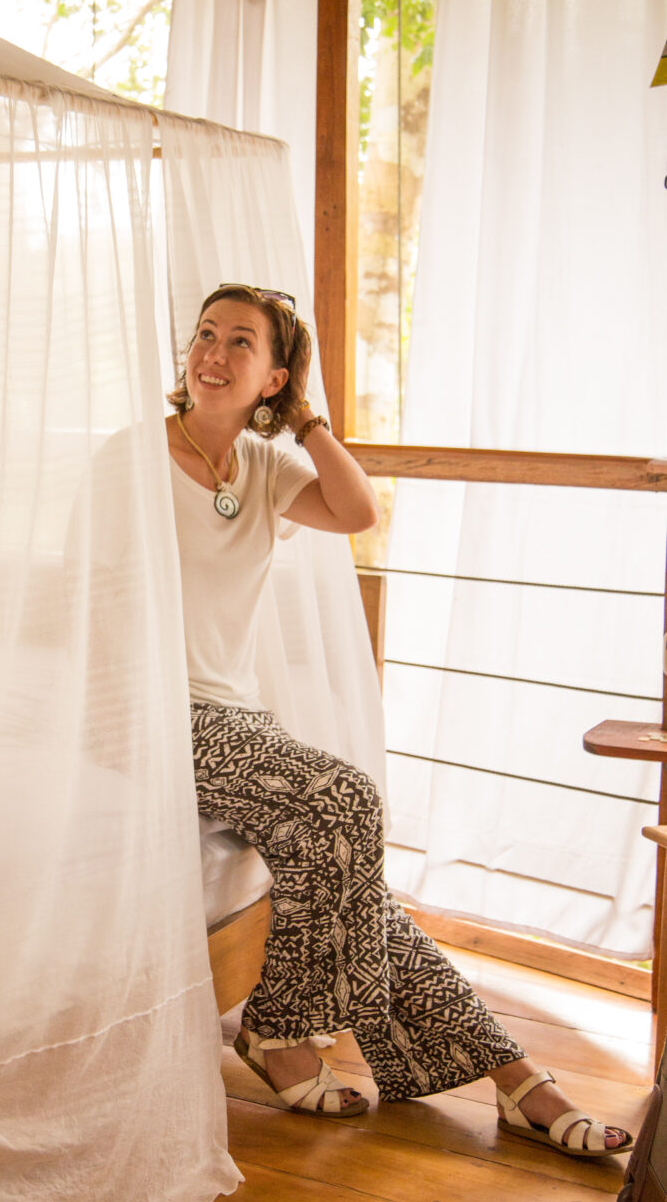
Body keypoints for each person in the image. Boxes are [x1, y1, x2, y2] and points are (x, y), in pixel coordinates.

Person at [165, 282, 632, 1158]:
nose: (212, 356)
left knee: (352, 869)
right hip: (155, 713)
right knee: (344, 798)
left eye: (239, 344)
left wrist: (306, 422)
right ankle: (284, 1029)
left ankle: (511, 1075)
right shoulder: (136, 460)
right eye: (203, 336)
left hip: (233, 717)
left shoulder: (264, 470)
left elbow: (357, 511)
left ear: (273, 379)